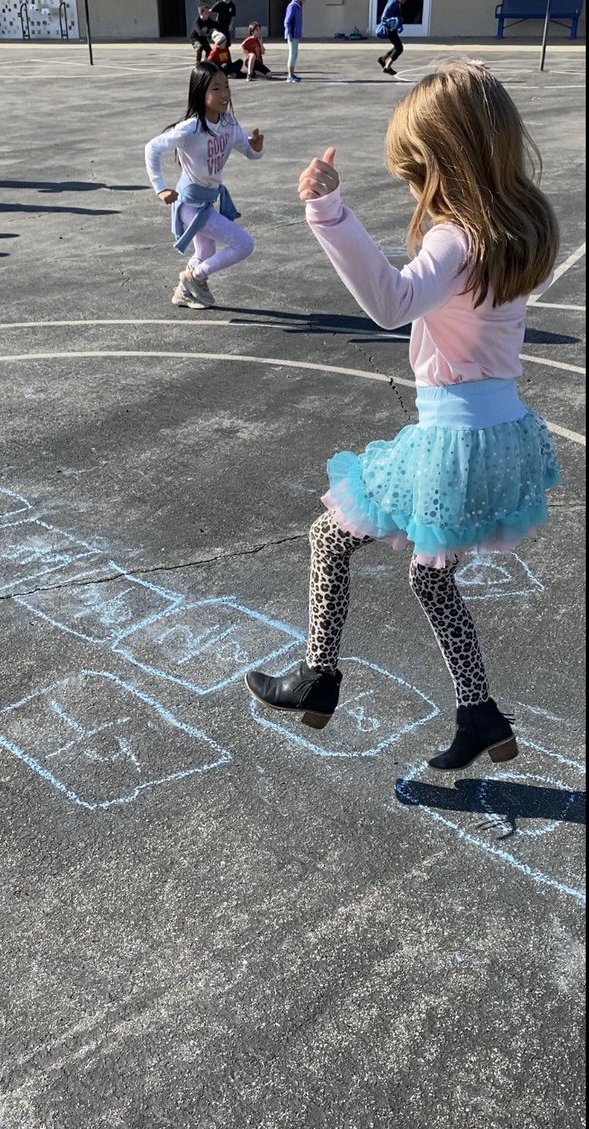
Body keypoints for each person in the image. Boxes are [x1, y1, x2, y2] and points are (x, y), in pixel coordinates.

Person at [245, 59, 561, 772]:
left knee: (329, 534)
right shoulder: (517, 226)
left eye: (415, 172)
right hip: (501, 431)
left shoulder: (455, 238)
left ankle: (316, 677)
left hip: (452, 439)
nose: (414, 188)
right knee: (430, 575)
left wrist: (329, 213)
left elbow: (390, 302)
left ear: (444, 159)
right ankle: (479, 713)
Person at [144, 62, 264, 310]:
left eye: (227, 87)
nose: (224, 95)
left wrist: (257, 146)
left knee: (206, 253)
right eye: (216, 89)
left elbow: (250, 153)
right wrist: (160, 188)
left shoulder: (229, 124)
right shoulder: (190, 128)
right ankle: (195, 278)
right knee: (244, 244)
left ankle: (182, 293)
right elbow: (152, 148)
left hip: (207, 201)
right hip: (189, 205)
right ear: (200, 93)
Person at [376, 0, 404, 75]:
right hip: (389, 29)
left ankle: (382, 59)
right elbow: (384, 18)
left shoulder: (396, 3)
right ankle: (387, 67)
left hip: (392, 29)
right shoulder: (393, 3)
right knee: (399, 48)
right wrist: (396, 21)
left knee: (397, 46)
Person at [284, 0, 304, 84]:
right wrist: (288, 33)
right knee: (292, 54)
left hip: (296, 34)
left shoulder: (298, 5)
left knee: (295, 54)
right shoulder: (292, 6)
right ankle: (289, 76)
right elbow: (287, 21)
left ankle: (292, 73)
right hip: (292, 34)